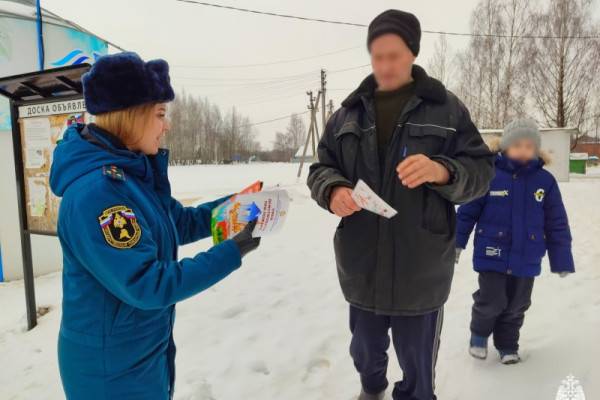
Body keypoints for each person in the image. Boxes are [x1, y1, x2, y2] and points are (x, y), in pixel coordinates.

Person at [49, 52, 261, 400]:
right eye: (160, 114)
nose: (168, 125)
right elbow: (148, 284)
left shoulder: (129, 173)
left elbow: (177, 221)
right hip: (111, 372)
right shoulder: (98, 193)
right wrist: (231, 251)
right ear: (130, 116)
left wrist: (234, 206)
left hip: (138, 353)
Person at [307, 9, 494, 400]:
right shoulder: (347, 114)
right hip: (363, 262)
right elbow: (321, 168)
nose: (385, 65)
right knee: (364, 350)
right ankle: (371, 389)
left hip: (420, 266)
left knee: (418, 364)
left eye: (394, 55)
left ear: (412, 53)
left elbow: (481, 170)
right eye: (377, 56)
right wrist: (334, 190)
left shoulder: (446, 109)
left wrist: (442, 171)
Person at [456, 117, 575, 365]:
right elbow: (468, 211)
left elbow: (557, 223)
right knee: (492, 300)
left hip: (527, 257)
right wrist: (457, 242)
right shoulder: (488, 175)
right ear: (505, 146)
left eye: (530, 146)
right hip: (492, 253)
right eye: (518, 144)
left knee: (517, 305)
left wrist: (561, 258)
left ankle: (508, 345)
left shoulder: (545, 182)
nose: (524, 150)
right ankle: (479, 334)